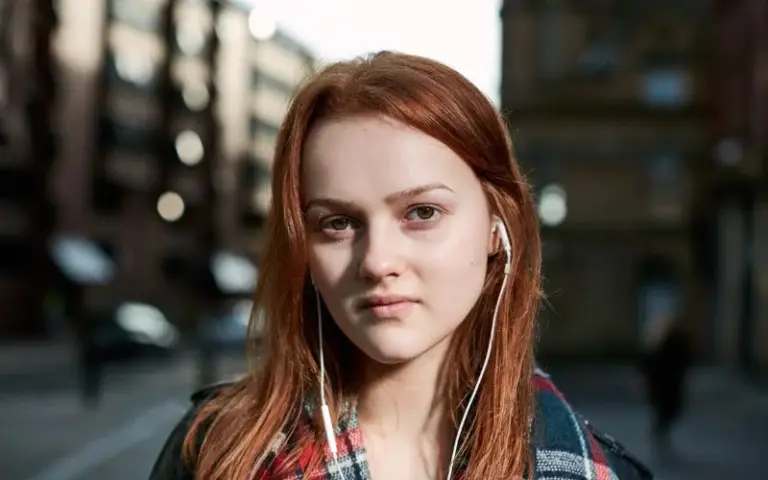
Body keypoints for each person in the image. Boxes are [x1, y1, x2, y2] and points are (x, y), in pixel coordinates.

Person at [149, 51, 652, 480]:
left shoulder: (598, 469)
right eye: (338, 223)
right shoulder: (212, 453)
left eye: (422, 213)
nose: (377, 262)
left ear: (499, 227)